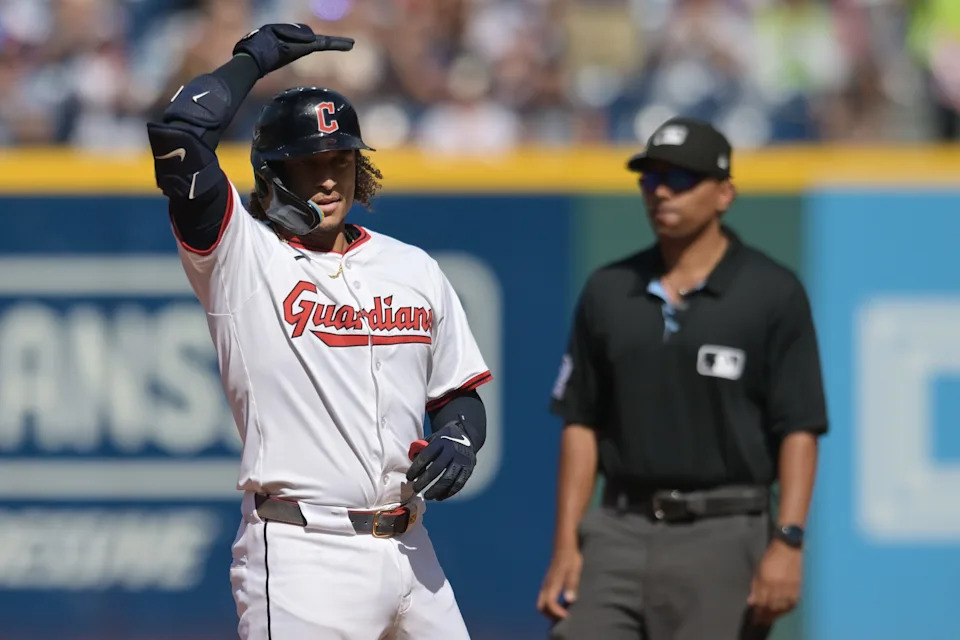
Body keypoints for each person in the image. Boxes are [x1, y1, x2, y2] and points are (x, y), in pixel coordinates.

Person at [146, 24, 492, 639]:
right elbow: (178, 131)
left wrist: (461, 439)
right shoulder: (239, 255)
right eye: (308, 163)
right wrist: (252, 60)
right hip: (306, 552)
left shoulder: (413, 267)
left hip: (413, 549)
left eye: (340, 159)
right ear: (273, 171)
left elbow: (455, 394)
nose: (329, 177)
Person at [537, 116, 828, 640]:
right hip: (618, 527)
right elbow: (581, 422)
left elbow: (800, 428)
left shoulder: (771, 292)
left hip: (723, 531)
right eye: (650, 178)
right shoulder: (610, 289)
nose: (662, 191)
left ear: (724, 194)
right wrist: (566, 544)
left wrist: (788, 541)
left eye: (682, 178)